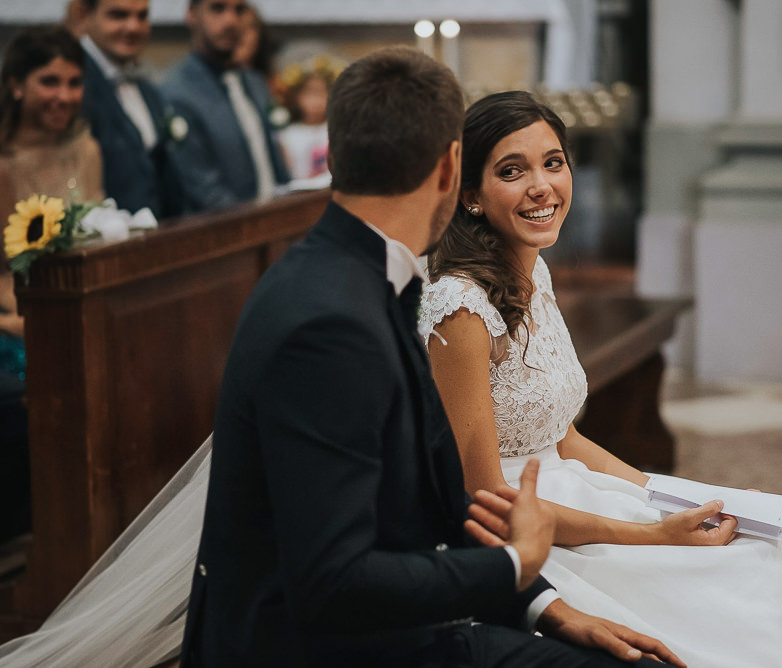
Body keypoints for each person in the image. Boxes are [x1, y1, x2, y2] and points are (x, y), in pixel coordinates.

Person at [0, 49, 682, 668]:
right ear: (452, 169)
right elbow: (331, 583)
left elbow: (440, 505)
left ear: (333, 158)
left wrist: (554, 611)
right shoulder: (330, 324)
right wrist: (512, 565)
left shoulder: (368, 273)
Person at [419, 91, 782, 668]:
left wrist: (673, 500)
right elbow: (486, 502)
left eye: (553, 162)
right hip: (533, 541)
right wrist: (655, 534)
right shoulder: (459, 306)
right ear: (472, 195)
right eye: (512, 170)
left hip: (579, 492)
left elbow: (561, 438)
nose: (541, 186)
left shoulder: (533, 272)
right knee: (758, 603)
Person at [0, 25, 101, 547]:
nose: (64, 96)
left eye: (73, 82)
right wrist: (24, 317)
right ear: (16, 84)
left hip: (77, 301)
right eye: (49, 82)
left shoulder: (85, 149)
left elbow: (101, 232)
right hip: (14, 316)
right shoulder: (3, 164)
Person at [160, 0, 289, 211]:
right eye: (217, 8)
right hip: (225, 233)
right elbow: (204, 190)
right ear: (192, 14)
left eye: (239, 10)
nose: (231, 21)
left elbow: (277, 170)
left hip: (275, 227)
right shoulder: (177, 92)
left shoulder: (255, 82)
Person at [79, 0, 190, 218]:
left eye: (142, 16)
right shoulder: (72, 84)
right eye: (118, 15)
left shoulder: (147, 88)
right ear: (86, 15)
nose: (133, 27)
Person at [276, 58, 337, 180]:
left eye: (322, 93)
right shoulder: (287, 135)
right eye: (309, 93)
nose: (316, 101)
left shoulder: (339, 129)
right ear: (296, 97)